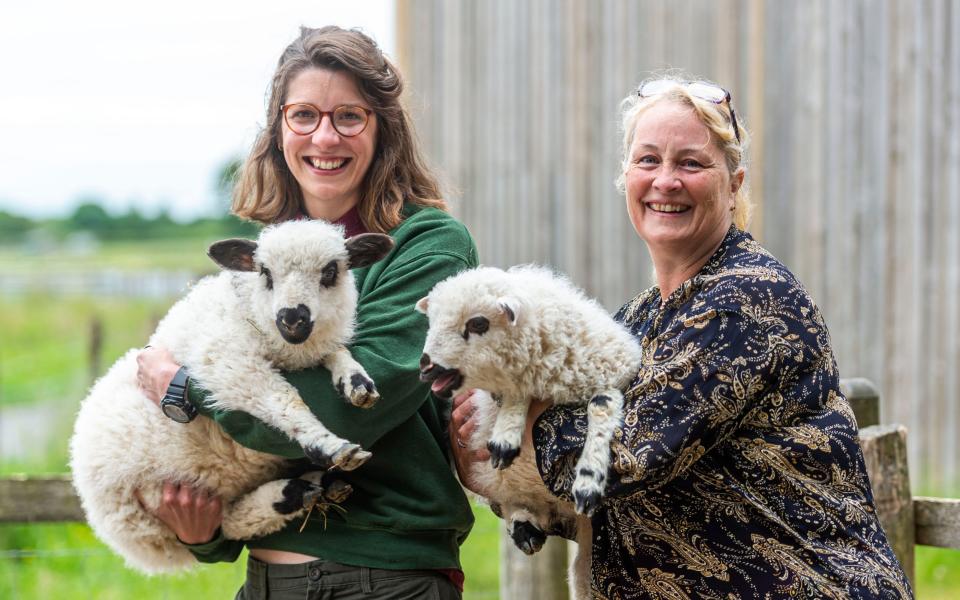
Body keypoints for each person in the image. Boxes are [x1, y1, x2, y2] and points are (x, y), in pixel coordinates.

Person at [451, 76, 913, 598]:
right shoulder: (637, 320)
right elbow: (607, 507)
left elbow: (629, 457)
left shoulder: (749, 298)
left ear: (734, 182)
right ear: (624, 176)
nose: (665, 181)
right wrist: (496, 478)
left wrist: (509, 426)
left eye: (691, 163)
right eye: (648, 160)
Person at [137, 25, 476, 599]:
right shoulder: (274, 257)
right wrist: (207, 534)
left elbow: (350, 414)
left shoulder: (427, 245)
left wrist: (190, 389)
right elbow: (237, 453)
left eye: (349, 116)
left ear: (383, 129)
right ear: (279, 130)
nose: (325, 137)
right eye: (304, 116)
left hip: (384, 574)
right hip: (268, 578)